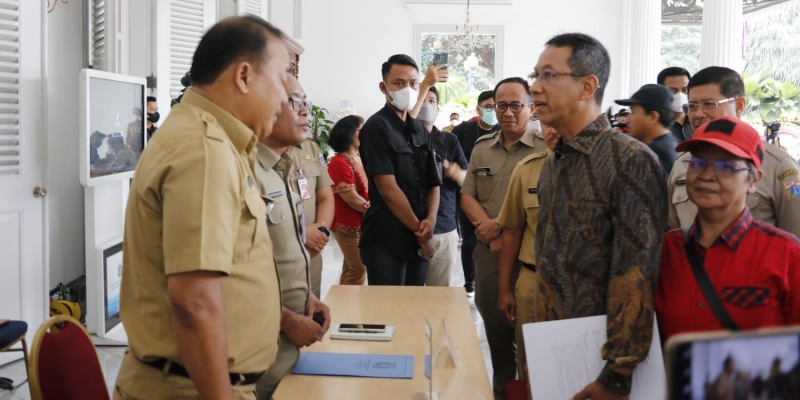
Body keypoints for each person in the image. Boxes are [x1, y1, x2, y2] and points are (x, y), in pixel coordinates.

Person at [115, 16, 289, 400]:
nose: (285, 96)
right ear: (244, 76)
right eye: (280, 78)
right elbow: (192, 302)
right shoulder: (204, 150)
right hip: (192, 389)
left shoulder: (216, 140)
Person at [530, 32, 667, 400]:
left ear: (587, 86)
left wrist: (618, 372)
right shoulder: (555, 162)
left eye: (547, 76)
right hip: (555, 349)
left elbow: (636, 272)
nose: (535, 88)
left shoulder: (630, 161)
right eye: (535, 76)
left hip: (601, 362)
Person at [656, 116, 800, 342]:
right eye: (698, 163)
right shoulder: (665, 252)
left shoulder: (786, 254)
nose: (706, 175)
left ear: (754, 181)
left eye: (725, 166)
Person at [461, 77, 548, 395]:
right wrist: (487, 229)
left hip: (529, 260)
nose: (507, 112)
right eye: (500, 105)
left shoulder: (546, 148)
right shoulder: (483, 148)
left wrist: (499, 225)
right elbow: (468, 194)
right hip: (490, 255)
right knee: (498, 345)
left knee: (533, 351)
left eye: (516, 105)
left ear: (531, 107)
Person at [254, 75, 331, 398]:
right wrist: (285, 319)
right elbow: (228, 278)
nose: (305, 112)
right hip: (257, 355)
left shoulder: (281, 167)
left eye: (306, 104)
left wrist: (307, 300)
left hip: (286, 353)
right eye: (295, 102)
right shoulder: (241, 170)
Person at [667, 67, 800, 237]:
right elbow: (673, 228)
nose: (698, 114)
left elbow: (795, 239)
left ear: (739, 105)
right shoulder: (682, 163)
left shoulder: (778, 165)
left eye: (709, 104)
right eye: (692, 106)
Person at [358, 54, 441, 286]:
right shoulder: (377, 127)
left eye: (414, 83)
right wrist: (420, 231)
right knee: (388, 312)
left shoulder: (420, 129)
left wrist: (431, 222)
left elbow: (433, 181)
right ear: (384, 87)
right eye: (399, 83)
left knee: (413, 307)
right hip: (387, 239)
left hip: (420, 235)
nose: (408, 89)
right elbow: (388, 190)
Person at [496, 121, 558, 380]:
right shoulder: (528, 169)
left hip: (583, 287)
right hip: (532, 281)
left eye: (559, 122)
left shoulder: (600, 168)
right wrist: (504, 290)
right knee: (532, 370)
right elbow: (512, 232)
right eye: (547, 124)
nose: (553, 131)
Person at [415, 86, 468, 287]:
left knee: (440, 294)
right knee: (408, 296)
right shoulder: (400, 139)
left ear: (438, 108)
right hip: (408, 227)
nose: (427, 105)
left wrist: (450, 170)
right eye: (423, 100)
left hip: (444, 227)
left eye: (432, 101)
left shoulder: (449, 140)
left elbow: (467, 179)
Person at [452, 89, 497, 296]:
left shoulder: (504, 131)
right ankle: (470, 282)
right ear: (478, 109)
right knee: (469, 239)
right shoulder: (463, 130)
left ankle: (491, 279)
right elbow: (450, 155)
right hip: (467, 193)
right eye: (489, 107)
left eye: (497, 106)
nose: (493, 111)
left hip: (495, 194)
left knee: (492, 237)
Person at [286, 136, 334, 299]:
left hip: (311, 255)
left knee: (312, 313)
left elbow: (325, 197)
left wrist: (320, 235)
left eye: (305, 107)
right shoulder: (252, 149)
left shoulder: (310, 148)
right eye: (297, 107)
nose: (304, 111)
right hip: (277, 259)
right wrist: (300, 235)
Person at [328, 115, 369, 285]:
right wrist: (375, 211)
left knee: (351, 267)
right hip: (348, 224)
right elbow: (351, 198)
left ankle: (343, 305)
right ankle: (348, 306)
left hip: (361, 221)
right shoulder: (338, 162)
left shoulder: (358, 157)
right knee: (358, 268)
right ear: (350, 133)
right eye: (362, 129)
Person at [614, 84, 679, 174]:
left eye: (633, 111)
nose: (628, 118)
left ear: (653, 117)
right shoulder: (669, 144)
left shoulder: (653, 154)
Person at [657, 66, 693, 143]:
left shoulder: (697, 121)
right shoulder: (656, 125)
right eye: (672, 90)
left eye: (685, 90)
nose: (680, 95)